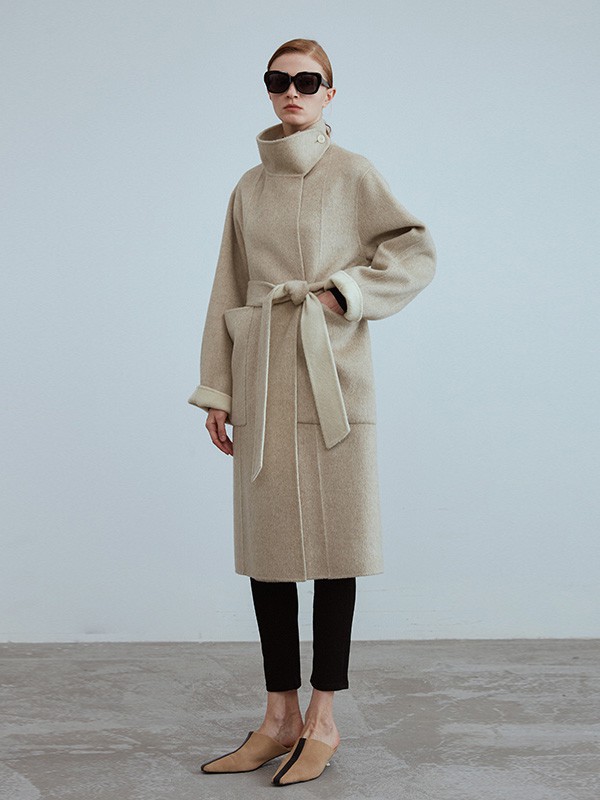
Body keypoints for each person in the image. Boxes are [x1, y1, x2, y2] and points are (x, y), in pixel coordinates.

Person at [188, 38, 436, 786]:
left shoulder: (354, 172)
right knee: (268, 556)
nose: (291, 91)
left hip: (334, 381)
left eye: (307, 80)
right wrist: (218, 389)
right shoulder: (248, 187)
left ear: (330, 92)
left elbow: (414, 249)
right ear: (268, 90)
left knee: (335, 550)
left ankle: (323, 721)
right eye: (279, 80)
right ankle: (278, 719)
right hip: (264, 376)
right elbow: (227, 284)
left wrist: (344, 293)